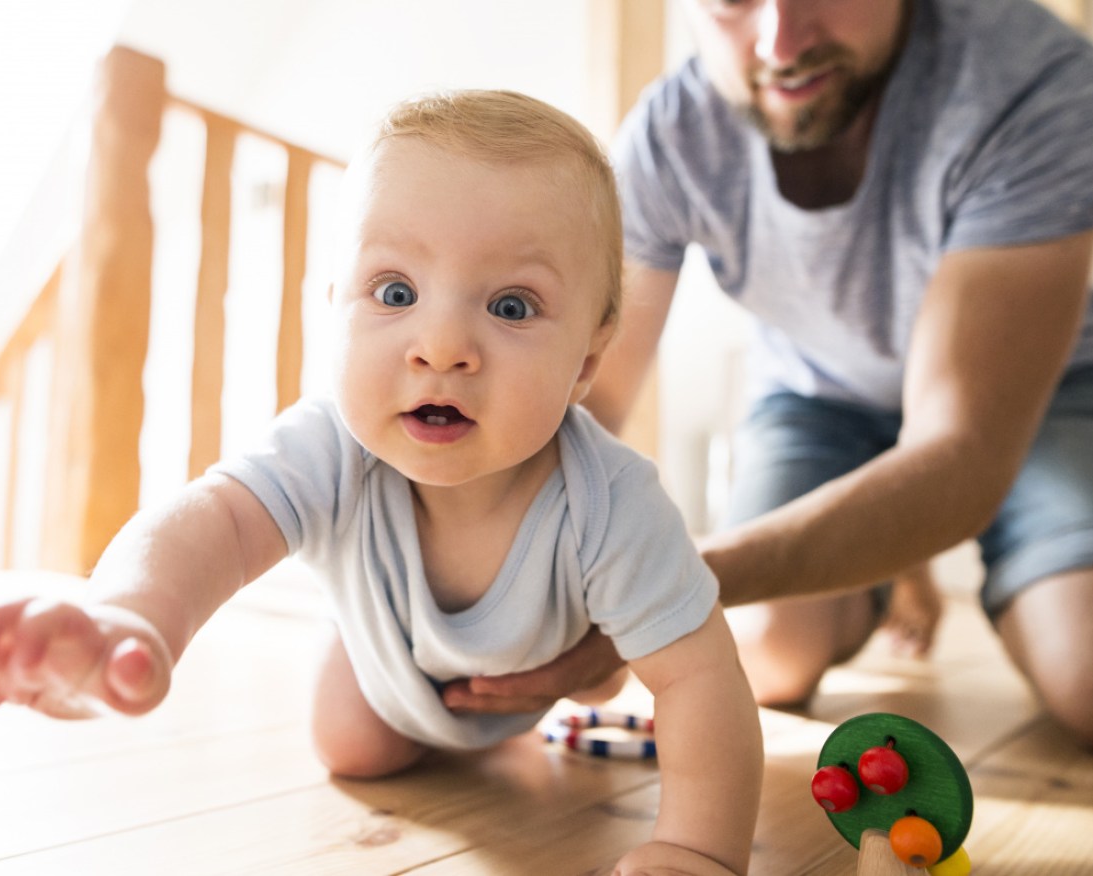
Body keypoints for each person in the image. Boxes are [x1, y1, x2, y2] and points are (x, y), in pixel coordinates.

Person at [0, 90, 764, 876]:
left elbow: (699, 682)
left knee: (626, 658)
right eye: (394, 291)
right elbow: (215, 521)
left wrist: (695, 847)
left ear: (588, 358)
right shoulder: (331, 446)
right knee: (347, 746)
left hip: (551, 658)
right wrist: (133, 615)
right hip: (393, 667)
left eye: (509, 307)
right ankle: (365, 637)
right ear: (331, 306)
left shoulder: (610, 500)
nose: (441, 345)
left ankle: (596, 661)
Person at [442, 0, 1093, 747]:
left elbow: (958, 450)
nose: (781, 42)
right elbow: (582, 407)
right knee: (768, 657)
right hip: (818, 396)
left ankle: (907, 549)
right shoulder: (669, 132)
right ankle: (887, 563)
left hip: (1043, 397)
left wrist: (657, 585)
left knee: (1084, 673)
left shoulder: (1034, 84)